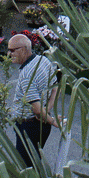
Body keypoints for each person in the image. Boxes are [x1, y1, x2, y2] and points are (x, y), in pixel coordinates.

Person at [8, 33, 59, 168]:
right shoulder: (43, 61)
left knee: (25, 169)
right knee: (35, 164)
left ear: (24, 49)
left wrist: (51, 120)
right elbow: (55, 88)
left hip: (28, 128)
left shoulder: (26, 75)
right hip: (42, 126)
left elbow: (36, 109)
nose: (9, 53)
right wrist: (47, 113)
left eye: (13, 50)